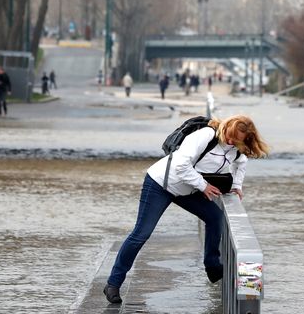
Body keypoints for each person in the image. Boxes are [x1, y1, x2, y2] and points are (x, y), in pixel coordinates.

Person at [103, 115, 269, 305]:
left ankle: (213, 268)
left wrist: (237, 186)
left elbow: (241, 164)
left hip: (188, 189)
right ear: (226, 127)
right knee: (141, 233)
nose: (230, 141)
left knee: (216, 217)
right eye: (229, 136)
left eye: (236, 140)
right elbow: (180, 165)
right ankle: (113, 284)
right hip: (162, 184)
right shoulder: (206, 135)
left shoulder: (237, 150)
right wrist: (204, 186)